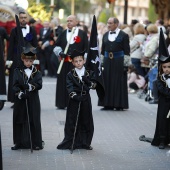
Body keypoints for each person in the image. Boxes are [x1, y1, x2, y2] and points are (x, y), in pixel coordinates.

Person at [57, 49, 96, 150]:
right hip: (75, 100)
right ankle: (72, 141)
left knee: (86, 120)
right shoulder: (70, 74)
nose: (78, 63)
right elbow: (69, 86)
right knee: (73, 121)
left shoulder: (89, 72)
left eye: (80, 60)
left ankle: (85, 142)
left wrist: (88, 82)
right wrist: (74, 95)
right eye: (76, 61)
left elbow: (94, 85)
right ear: (73, 62)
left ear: (84, 61)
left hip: (85, 98)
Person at [11, 43, 43, 150]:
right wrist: (19, 93)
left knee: (33, 120)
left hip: (33, 99)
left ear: (33, 61)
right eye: (26, 61)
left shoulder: (37, 72)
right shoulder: (17, 71)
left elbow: (39, 85)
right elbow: (14, 85)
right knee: (19, 119)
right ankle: (18, 142)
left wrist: (30, 86)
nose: (28, 63)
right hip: (21, 99)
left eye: (30, 61)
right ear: (22, 59)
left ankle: (35, 143)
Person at [53, 15, 88, 109]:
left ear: (76, 22)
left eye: (71, 21)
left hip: (77, 65)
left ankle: (76, 102)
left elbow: (87, 49)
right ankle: (62, 103)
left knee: (76, 83)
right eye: (67, 21)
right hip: (64, 63)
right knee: (63, 83)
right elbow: (56, 46)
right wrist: (60, 52)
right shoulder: (63, 33)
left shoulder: (82, 34)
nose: (68, 22)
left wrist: (83, 61)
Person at [6, 11, 38, 107]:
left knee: (28, 78)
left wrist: (34, 57)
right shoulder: (14, 30)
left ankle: (29, 98)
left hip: (29, 58)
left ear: (27, 19)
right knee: (16, 79)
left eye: (25, 17)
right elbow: (10, 46)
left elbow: (35, 44)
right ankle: (15, 100)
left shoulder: (32, 30)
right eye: (21, 17)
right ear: (18, 19)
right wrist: (9, 59)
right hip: (16, 58)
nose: (23, 19)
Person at [99, 17, 130, 110]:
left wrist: (125, 64)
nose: (108, 25)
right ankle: (107, 104)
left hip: (119, 61)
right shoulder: (105, 35)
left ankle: (119, 105)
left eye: (110, 23)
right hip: (108, 61)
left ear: (116, 24)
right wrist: (102, 63)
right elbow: (102, 51)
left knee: (118, 83)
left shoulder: (124, 35)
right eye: (108, 23)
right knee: (107, 82)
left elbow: (127, 51)